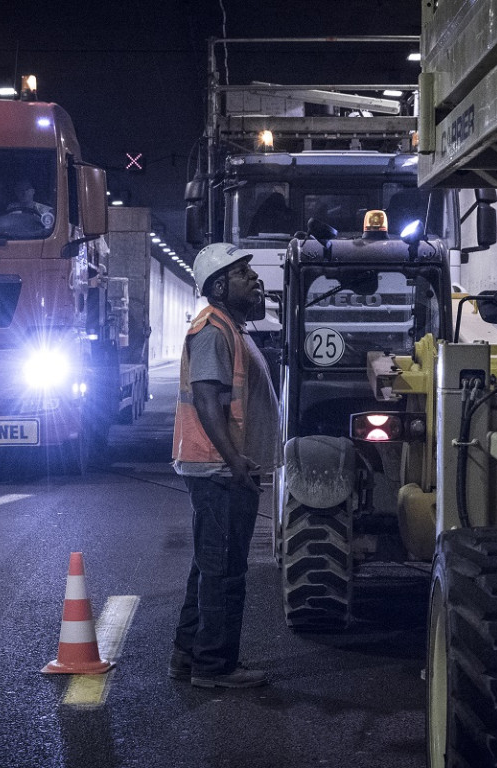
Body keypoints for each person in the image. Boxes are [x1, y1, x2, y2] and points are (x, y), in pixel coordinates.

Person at [169, 243, 279, 689]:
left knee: (208, 566)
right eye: (242, 273)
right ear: (218, 285)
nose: (254, 279)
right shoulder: (214, 330)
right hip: (221, 469)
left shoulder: (231, 327)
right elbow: (207, 401)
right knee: (224, 571)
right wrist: (235, 463)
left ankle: (187, 655)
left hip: (227, 466)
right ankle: (215, 667)